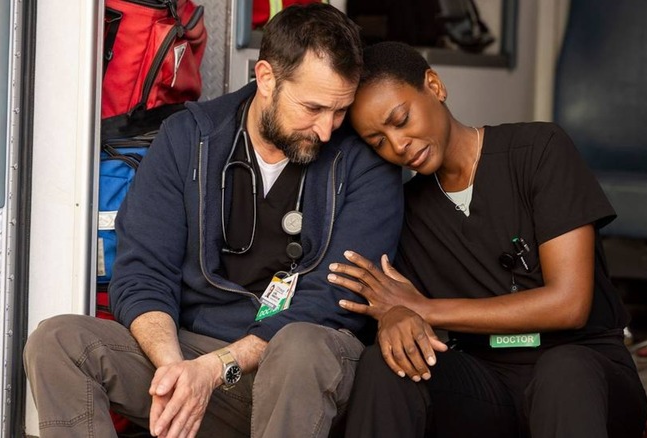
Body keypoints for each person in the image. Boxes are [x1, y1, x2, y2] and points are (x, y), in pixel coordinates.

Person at [23, 5, 403, 438]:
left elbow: (334, 299)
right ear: (266, 79)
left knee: (300, 347)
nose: (327, 130)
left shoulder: (365, 160)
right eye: (313, 108)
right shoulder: (188, 137)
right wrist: (178, 372)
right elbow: (144, 272)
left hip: (305, 370)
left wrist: (218, 369)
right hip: (198, 357)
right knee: (59, 342)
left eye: (339, 111)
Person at [326, 41, 647, 438]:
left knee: (563, 372)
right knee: (388, 364)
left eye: (401, 119)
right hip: (488, 381)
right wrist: (396, 315)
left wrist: (426, 309)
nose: (398, 145)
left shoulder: (540, 152)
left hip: (587, 374)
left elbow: (570, 304)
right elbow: (399, 302)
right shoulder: (406, 209)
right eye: (377, 141)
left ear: (434, 85)